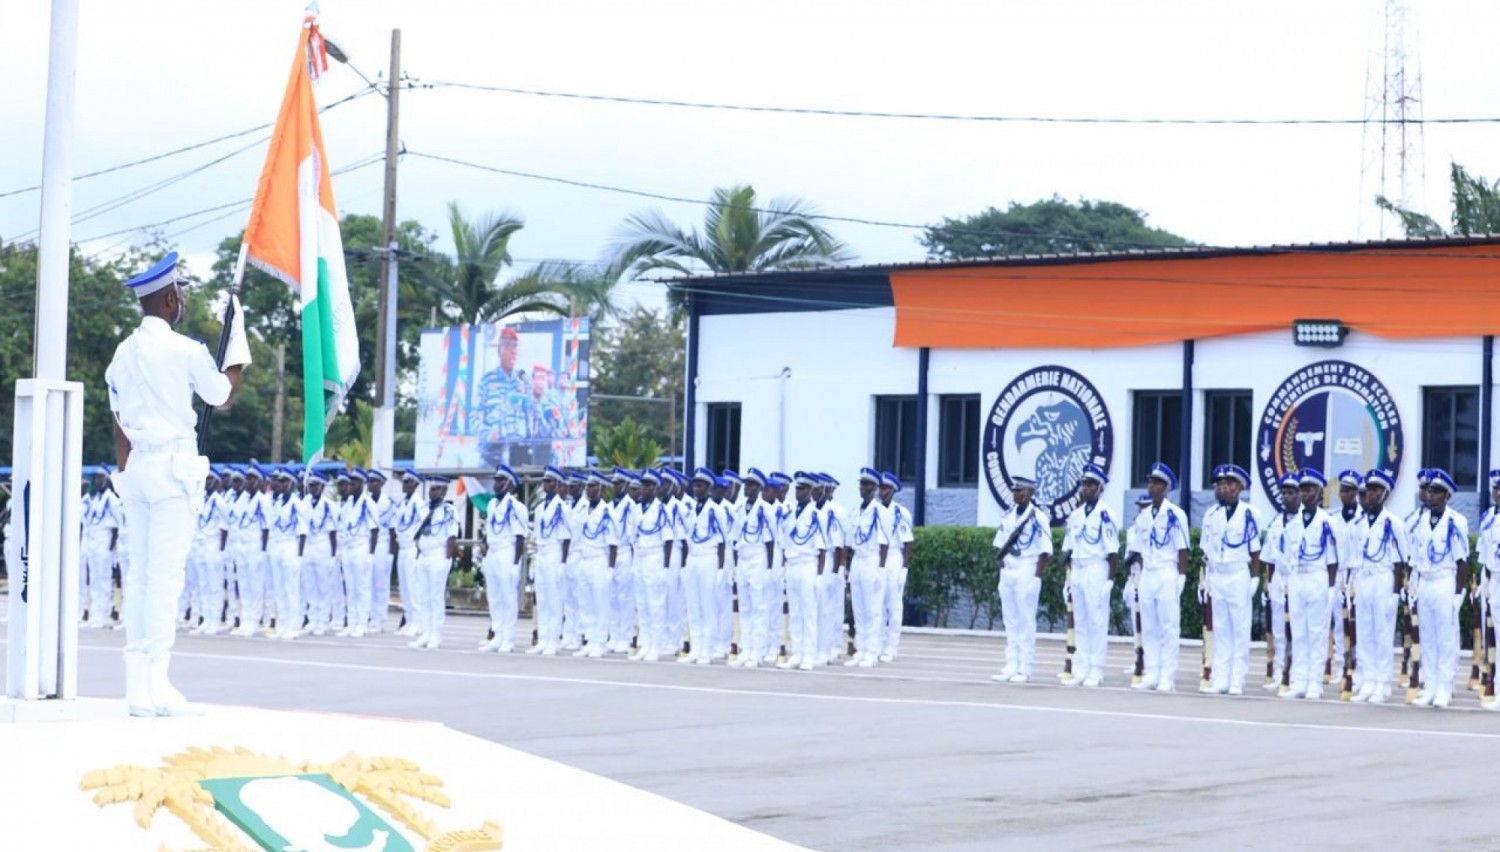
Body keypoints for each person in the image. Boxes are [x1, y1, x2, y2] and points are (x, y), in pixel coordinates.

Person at [106, 251, 247, 716]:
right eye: (180, 294)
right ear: (169, 300)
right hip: (171, 469)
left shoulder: (122, 354)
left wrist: (125, 476)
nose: (182, 301)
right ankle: (155, 683)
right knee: (165, 577)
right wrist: (237, 351)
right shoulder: (186, 350)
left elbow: (118, 424)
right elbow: (221, 395)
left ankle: (138, 686)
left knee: (142, 575)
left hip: (138, 470)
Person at [1408, 468, 1469, 708]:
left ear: (1446, 496)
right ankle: (1430, 686)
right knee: (1428, 636)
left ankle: (1444, 686)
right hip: (1426, 581)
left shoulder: (1456, 521)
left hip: (1444, 580)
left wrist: (1458, 594)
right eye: (1429, 491)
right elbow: (1414, 557)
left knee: (1445, 637)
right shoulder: (1420, 520)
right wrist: (1413, 584)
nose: (1430, 496)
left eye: (1436, 492)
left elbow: (1462, 561)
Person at [1198, 464, 1261, 695]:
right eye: (1221, 484)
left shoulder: (1249, 513)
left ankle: (1237, 678)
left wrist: (1255, 577)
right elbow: (1206, 552)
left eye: (1230, 484)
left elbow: (1255, 550)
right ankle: (1220, 677)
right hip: (1218, 574)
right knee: (1221, 628)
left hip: (1237, 574)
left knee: (1240, 628)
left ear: (1239, 488)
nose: (1224, 488)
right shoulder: (1211, 515)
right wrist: (1205, 580)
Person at [1128, 463, 1189, 693]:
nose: (1150, 485)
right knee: (1150, 626)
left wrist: (1181, 576)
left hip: (1166, 571)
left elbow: (1183, 549)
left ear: (1165, 487)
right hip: (1149, 573)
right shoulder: (1144, 516)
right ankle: (1152, 672)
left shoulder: (1176, 514)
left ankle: (1167, 675)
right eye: (1150, 481)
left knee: (1168, 626)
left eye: (1155, 482)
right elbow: (1139, 549)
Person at [1279, 469, 1340, 701]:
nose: (1305, 494)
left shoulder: (1327, 522)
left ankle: (1315, 681)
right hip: (1297, 577)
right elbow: (1286, 555)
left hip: (1317, 577)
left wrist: (1331, 589)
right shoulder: (1293, 523)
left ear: (1319, 492)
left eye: (1309, 489)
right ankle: (1299, 680)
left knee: (1317, 631)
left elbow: (1333, 559)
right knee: (1298, 631)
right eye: (1302, 489)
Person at [1351, 469, 1409, 704]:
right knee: (1365, 632)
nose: (1372, 494)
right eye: (1369, 490)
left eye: (1376, 490)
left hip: (1383, 578)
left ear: (1385, 494)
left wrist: (1396, 592)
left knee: (1382, 633)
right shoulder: (1359, 523)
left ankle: (1382, 682)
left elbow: (1400, 561)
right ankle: (1367, 679)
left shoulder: (1393, 523)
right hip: (1364, 578)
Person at [1059, 464, 1118, 688]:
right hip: (1078, 568)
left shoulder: (1105, 514)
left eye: (1091, 484)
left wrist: (1110, 580)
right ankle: (1081, 668)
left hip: (1096, 568)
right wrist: (1068, 578)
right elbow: (1068, 550)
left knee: (1097, 620)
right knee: (1081, 621)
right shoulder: (1075, 515)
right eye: (1084, 484)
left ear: (1100, 488)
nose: (1086, 488)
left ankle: (1096, 669)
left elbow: (1112, 552)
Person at [991, 477, 1052, 685]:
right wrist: (1003, 570)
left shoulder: (1038, 517)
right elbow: (998, 546)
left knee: (1025, 620)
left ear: (1030, 493)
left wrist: (1037, 577)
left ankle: (1025, 666)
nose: (1016, 494)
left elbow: (1045, 551)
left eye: (1021, 491)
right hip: (1009, 570)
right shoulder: (1008, 516)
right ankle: (1011, 663)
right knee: (1010, 620)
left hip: (1027, 567)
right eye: (1015, 490)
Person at [846, 468, 893, 669]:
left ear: (874, 488)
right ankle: (861, 648)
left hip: (873, 560)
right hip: (858, 560)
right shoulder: (856, 511)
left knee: (873, 609)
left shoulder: (880, 511)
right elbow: (851, 542)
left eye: (866, 485)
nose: (862, 488)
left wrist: (881, 569)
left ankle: (872, 651)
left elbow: (884, 543)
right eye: (861, 484)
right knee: (859, 608)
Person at [778, 472, 826, 671]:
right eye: (798, 488)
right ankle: (796, 653)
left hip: (808, 564)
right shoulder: (790, 513)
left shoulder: (817, 514)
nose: (799, 492)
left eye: (803, 489)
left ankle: (809, 654)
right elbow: (784, 543)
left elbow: (823, 548)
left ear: (811, 491)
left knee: (809, 611)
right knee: (795, 611)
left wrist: (820, 576)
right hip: (792, 564)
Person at [479, 464, 529, 653]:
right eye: (496, 480)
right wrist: (485, 544)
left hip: (507, 552)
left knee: (508, 597)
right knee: (494, 596)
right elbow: (489, 529)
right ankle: (497, 633)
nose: (496, 483)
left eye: (500, 480)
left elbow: (520, 537)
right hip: (493, 552)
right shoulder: (492, 504)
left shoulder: (517, 507)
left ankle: (509, 637)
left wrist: (516, 563)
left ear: (509, 483)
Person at [682, 468, 727, 665]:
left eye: (700, 485)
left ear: (708, 488)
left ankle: (707, 649)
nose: (696, 489)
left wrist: (721, 569)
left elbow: (724, 541)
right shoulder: (690, 509)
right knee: (693, 605)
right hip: (693, 558)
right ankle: (696, 647)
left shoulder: (716, 510)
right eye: (695, 485)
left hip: (709, 557)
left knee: (707, 605)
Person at [409, 476, 460, 649]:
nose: (432, 492)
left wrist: (447, 559)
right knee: (423, 596)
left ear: (444, 491)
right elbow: (419, 534)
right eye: (431, 489)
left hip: (438, 556)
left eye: (436, 489)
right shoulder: (423, 509)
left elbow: (452, 537)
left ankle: (436, 634)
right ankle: (426, 632)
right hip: (423, 555)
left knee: (435, 597)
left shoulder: (449, 510)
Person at [573, 469, 618, 658]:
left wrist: (610, 568)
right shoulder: (583, 510)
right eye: (587, 486)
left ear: (600, 488)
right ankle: (589, 638)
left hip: (599, 559)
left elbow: (613, 543)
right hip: (584, 559)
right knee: (585, 602)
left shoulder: (608, 512)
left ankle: (600, 641)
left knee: (600, 602)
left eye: (592, 486)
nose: (588, 490)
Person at [632, 469, 675, 662]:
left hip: (655, 557)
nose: (645, 488)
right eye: (643, 485)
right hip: (640, 557)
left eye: (649, 485)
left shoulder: (662, 510)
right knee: (642, 604)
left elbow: (668, 541)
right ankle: (646, 643)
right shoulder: (636, 508)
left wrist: (665, 568)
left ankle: (656, 645)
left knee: (655, 604)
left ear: (656, 488)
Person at [530, 466, 573, 655]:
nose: (545, 484)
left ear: (556, 484)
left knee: (555, 599)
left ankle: (553, 640)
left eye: (549, 481)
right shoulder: (540, 507)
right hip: (542, 552)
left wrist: (562, 563)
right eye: (544, 481)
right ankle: (543, 638)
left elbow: (566, 538)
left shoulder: (562, 508)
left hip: (555, 552)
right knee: (543, 598)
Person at [1328, 470, 1364, 688]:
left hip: (1357, 574)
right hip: (1339, 574)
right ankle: (1342, 667)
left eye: (1349, 491)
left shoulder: (1364, 517)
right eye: (1342, 490)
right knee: (1339, 624)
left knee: (1357, 625)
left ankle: (1358, 669)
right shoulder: (1332, 519)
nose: (1344, 494)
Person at [336, 469, 379, 638]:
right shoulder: (347, 505)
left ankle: (362, 623)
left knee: (362, 588)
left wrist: (371, 554)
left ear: (362, 484)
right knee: (351, 588)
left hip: (362, 546)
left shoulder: (368, 503)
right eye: (350, 483)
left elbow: (374, 530)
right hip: (348, 548)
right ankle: (352, 622)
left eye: (354, 483)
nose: (351, 486)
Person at [877, 473, 915, 663]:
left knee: (893, 604)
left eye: (886, 489)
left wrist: (904, 569)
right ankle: (878, 644)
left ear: (893, 491)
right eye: (880, 488)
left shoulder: (900, 513)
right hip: (876, 558)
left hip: (893, 558)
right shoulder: (873, 510)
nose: (882, 492)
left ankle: (891, 646)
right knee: (878, 603)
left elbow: (908, 543)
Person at [81, 466, 123, 629]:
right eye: (96, 478)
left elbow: (119, 524)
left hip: (104, 543)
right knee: (95, 579)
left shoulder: (110, 499)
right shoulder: (95, 499)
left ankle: (104, 614)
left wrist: (111, 547)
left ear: (107, 480)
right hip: (93, 542)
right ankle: (96, 613)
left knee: (104, 580)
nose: (97, 481)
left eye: (100, 478)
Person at [815, 474, 849, 666]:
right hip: (814, 560)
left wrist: (838, 569)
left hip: (830, 560)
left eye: (821, 489)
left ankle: (832, 646)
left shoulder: (836, 511)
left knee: (831, 607)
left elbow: (842, 543)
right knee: (818, 606)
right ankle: (819, 645)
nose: (817, 492)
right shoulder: (813, 510)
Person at [609, 469, 640, 654]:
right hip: (612, 553)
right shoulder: (611, 505)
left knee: (625, 597)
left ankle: (625, 636)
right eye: (615, 483)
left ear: (627, 485)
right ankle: (614, 635)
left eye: (620, 483)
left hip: (626, 551)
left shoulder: (631, 506)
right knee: (612, 597)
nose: (616, 486)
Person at [393, 470, 425, 636]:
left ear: (415, 484)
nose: (404, 485)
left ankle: (418, 622)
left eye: (407, 482)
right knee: (404, 587)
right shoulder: (402, 503)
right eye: (403, 482)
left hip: (413, 547)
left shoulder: (419, 503)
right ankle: (409, 620)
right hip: (402, 547)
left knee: (413, 587)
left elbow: (424, 525)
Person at [365, 469, 397, 634]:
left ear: (382, 484)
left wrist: (391, 555)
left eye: (375, 481)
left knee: (381, 583)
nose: (372, 484)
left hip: (382, 544)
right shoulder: (366, 501)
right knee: (367, 582)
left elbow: (392, 532)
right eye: (370, 481)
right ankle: (369, 616)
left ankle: (380, 618)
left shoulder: (389, 504)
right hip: (367, 544)